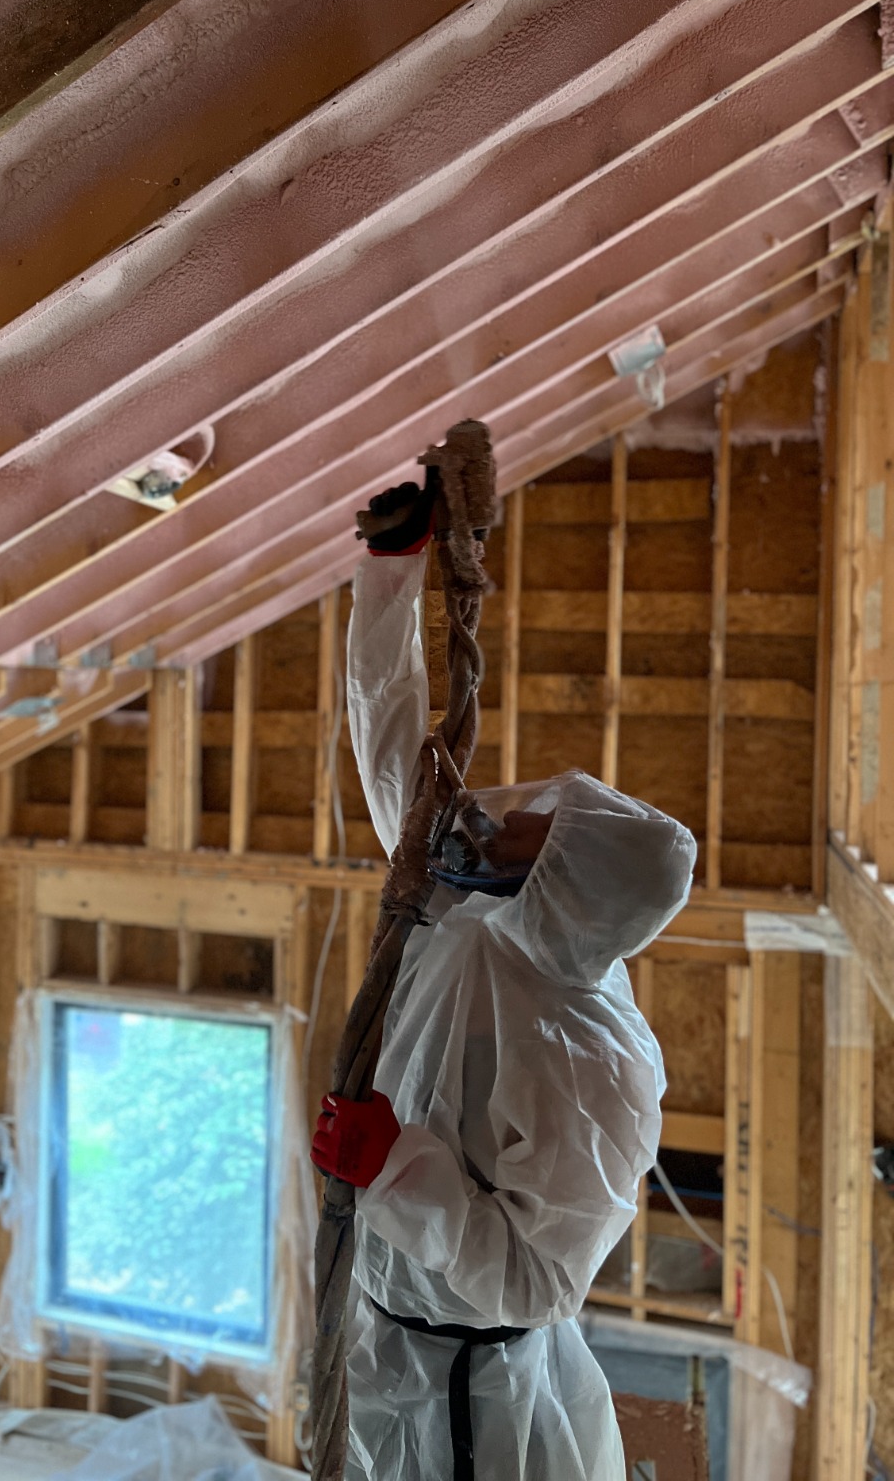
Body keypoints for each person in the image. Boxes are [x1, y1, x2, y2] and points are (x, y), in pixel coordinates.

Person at [310, 477, 697, 1481]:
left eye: (529, 840)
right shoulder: (474, 915)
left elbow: (534, 1279)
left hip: (481, 1408)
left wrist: (396, 1165)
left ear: (567, 888)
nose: (489, 833)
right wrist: (387, 577)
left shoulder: (598, 1063)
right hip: (389, 1334)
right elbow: (398, 762)